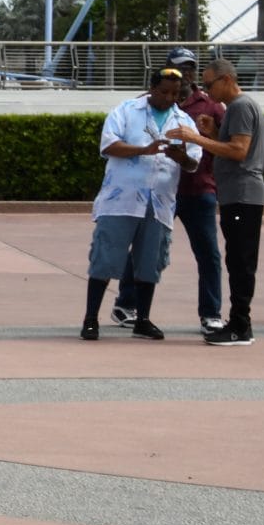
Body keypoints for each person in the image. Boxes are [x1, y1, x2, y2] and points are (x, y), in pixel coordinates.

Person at [112, 48, 227, 335]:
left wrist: (205, 135)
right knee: (143, 249)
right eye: (179, 68)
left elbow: (227, 145)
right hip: (158, 191)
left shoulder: (211, 105)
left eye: (190, 68)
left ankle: (211, 313)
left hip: (198, 189)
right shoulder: (145, 104)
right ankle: (126, 304)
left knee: (209, 253)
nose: (185, 73)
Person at [81, 69, 201, 341]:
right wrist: (143, 150)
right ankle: (90, 319)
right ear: (151, 88)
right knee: (105, 257)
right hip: (121, 200)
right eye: (164, 92)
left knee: (150, 261)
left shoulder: (183, 121)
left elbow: (194, 163)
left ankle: (142, 319)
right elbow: (109, 145)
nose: (170, 98)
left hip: (159, 202)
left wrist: (181, 157)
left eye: (175, 93)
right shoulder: (126, 110)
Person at [169, 58, 264, 346]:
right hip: (239, 194)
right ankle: (238, 323)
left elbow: (238, 151)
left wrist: (196, 138)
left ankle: (240, 326)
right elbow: (235, 147)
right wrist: (213, 133)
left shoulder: (238, 106)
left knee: (240, 261)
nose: (207, 91)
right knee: (237, 259)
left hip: (242, 194)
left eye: (210, 84)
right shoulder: (239, 107)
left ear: (226, 80)